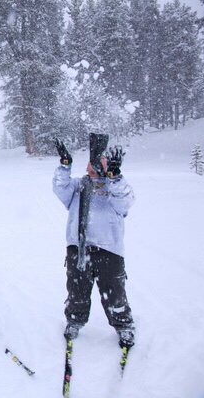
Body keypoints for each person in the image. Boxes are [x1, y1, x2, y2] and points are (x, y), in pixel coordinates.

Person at [53, 133, 136, 348]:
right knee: (77, 290)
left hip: (109, 250)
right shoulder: (78, 185)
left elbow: (125, 203)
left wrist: (115, 177)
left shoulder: (115, 187)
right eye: (92, 160)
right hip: (79, 249)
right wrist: (64, 165)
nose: (95, 164)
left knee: (114, 292)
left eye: (101, 160)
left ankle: (123, 324)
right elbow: (59, 188)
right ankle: (74, 321)